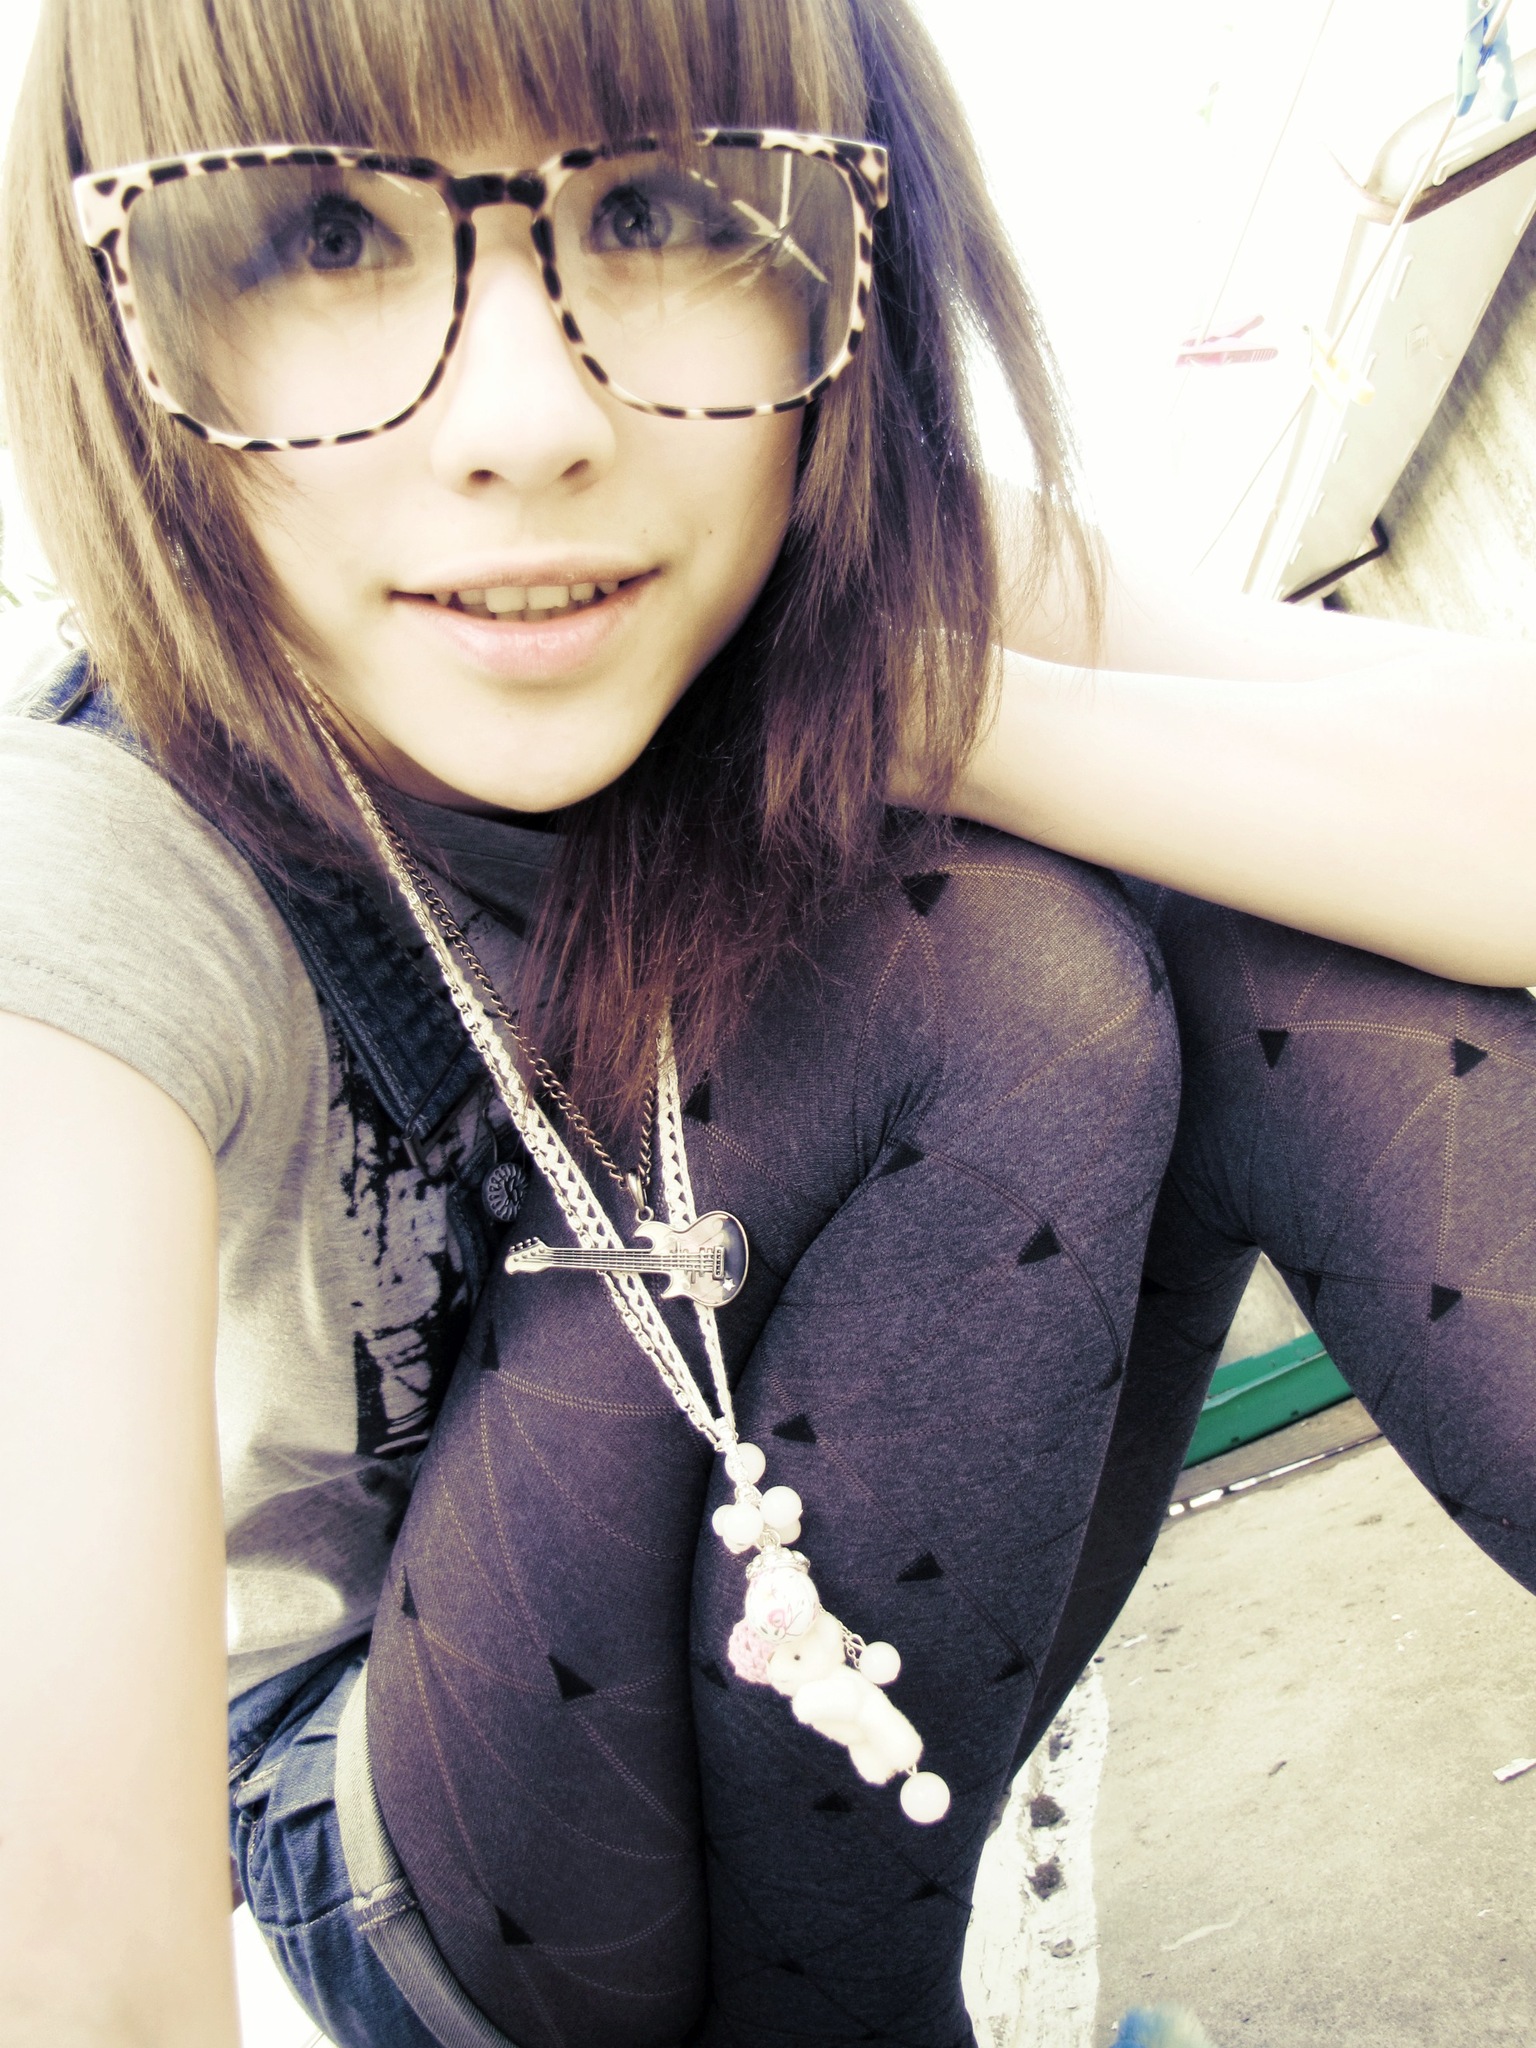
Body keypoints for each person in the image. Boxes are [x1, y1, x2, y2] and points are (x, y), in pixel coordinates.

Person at [0, 1, 1533, 2045]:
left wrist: (926, 708)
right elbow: (73, 1958)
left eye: (653, 206)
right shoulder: (96, 856)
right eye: (328, 236)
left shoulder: (844, 545)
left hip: (816, 1608)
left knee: (1240, 893)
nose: (528, 418)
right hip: (409, 1826)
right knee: (981, 970)